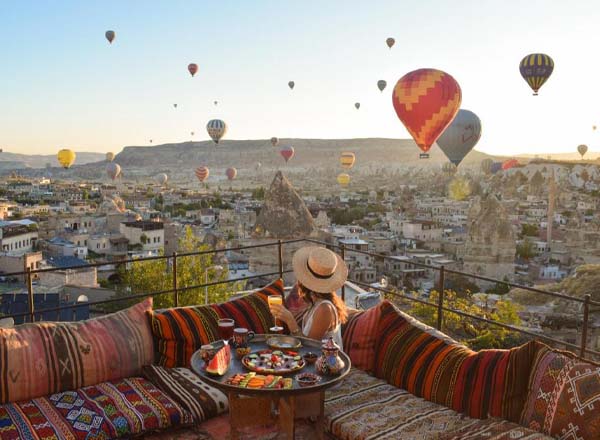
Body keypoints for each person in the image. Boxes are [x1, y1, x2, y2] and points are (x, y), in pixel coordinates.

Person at [269, 246, 348, 348]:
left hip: (325, 362)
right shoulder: (315, 301)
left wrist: (290, 320)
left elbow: (310, 348)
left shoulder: (324, 309)